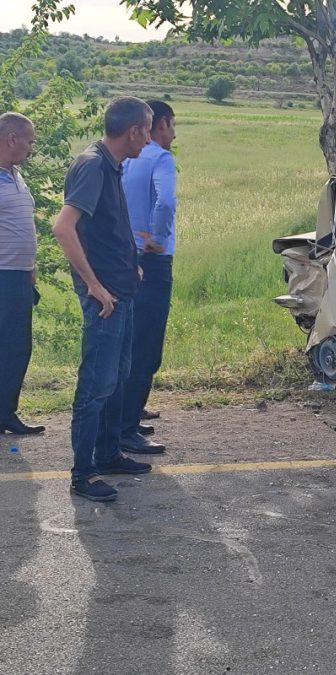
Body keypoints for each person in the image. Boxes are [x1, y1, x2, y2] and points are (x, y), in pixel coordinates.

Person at [52, 96, 154, 502]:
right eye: (147, 132)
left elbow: (106, 227)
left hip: (120, 289)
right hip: (105, 298)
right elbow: (63, 227)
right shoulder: (93, 165)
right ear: (133, 131)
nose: (148, 140)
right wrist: (93, 284)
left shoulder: (111, 164)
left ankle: (108, 454)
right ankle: (83, 473)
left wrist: (131, 264)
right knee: (96, 385)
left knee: (117, 377)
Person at [119, 100, 177, 454]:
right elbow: (165, 201)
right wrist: (156, 237)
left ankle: (126, 415)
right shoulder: (160, 158)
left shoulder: (126, 159)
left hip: (127, 258)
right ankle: (126, 429)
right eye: (173, 125)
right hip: (153, 262)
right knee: (146, 347)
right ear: (161, 124)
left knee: (130, 342)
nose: (174, 134)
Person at [0, 112, 44, 435]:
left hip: (19, 277)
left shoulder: (16, 175)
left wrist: (30, 267)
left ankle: (6, 413)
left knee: (17, 347)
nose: (31, 148)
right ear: (12, 139)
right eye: (29, 141)